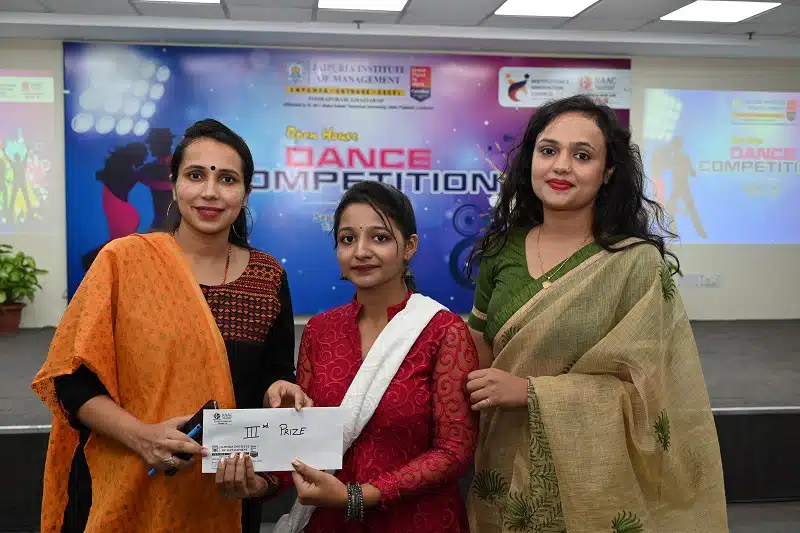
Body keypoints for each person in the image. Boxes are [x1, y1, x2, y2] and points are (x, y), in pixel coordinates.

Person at [463, 95, 728, 533]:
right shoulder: (500, 251)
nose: (561, 166)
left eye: (582, 155)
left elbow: (650, 390)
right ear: (531, 162)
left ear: (607, 173)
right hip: (506, 466)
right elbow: (479, 357)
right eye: (548, 150)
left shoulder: (635, 263)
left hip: (599, 476)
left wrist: (531, 392)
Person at [31, 118, 310, 533]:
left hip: (222, 493)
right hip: (123, 482)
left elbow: (275, 372)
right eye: (196, 175)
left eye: (227, 179)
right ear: (174, 185)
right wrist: (141, 436)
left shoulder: (267, 276)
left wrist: (280, 388)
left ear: (246, 192)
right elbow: (70, 378)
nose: (210, 192)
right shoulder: (122, 262)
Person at [273, 181, 480, 533]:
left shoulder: (442, 331)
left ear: (409, 247)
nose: (361, 251)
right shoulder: (320, 331)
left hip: (417, 521)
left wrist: (357, 496)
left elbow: (454, 452)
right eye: (348, 239)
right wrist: (259, 480)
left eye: (379, 238)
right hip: (330, 522)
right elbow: (306, 440)